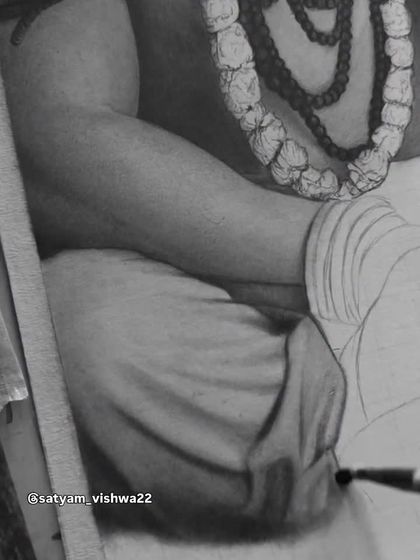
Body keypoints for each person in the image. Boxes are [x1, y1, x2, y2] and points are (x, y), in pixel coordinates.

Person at [0, 0, 420, 542]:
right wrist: (350, 248)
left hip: (397, 291)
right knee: (80, 323)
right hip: (239, 340)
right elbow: (54, 137)